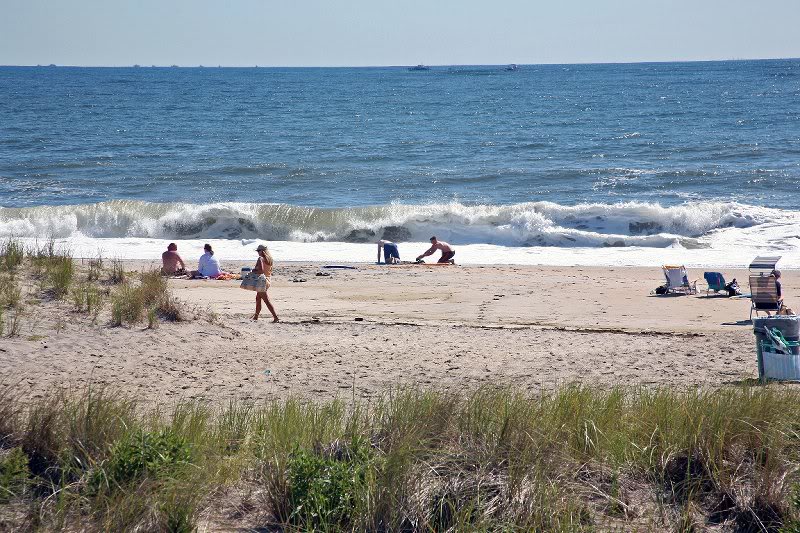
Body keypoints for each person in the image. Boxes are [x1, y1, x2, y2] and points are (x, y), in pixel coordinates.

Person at [252, 244, 279, 322]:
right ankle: (255, 317)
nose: (258, 252)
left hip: (261, 281)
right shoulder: (270, 259)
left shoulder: (260, 259)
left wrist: (254, 270)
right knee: (258, 298)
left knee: (266, 300)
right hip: (268, 280)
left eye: (258, 251)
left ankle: (275, 317)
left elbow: (261, 270)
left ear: (262, 251)